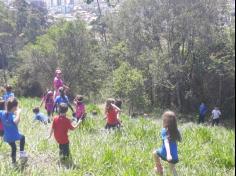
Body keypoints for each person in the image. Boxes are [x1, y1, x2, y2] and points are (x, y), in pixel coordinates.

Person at [0, 97, 27, 166]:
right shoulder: (12, 116)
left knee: (14, 147)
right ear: (14, 107)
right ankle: (22, 154)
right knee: (23, 137)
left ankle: (14, 162)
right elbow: (15, 122)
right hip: (14, 136)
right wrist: (18, 113)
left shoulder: (2, 113)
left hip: (6, 137)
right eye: (16, 107)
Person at [153, 111, 182, 176]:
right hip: (174, 155)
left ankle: (159, 170)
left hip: (166, 153)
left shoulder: (164, 130)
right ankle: (159, 169)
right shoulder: (176, 131)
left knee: (155, 153)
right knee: (173, 169)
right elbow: (178, 140)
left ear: (165, 121)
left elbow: (166, 142)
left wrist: (168, 154)